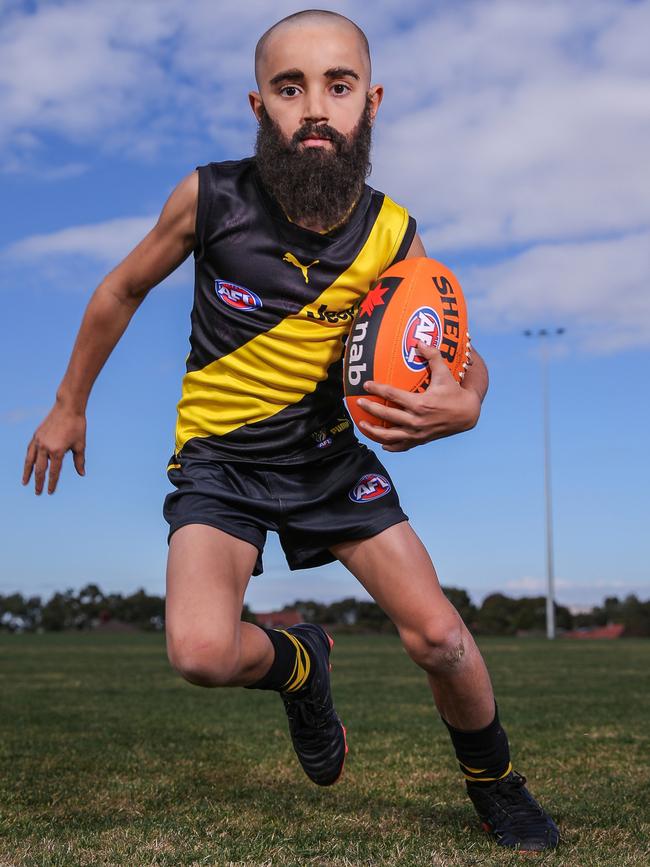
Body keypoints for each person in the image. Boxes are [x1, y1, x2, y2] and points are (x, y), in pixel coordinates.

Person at [23, 9, 559, 852]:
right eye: (289, 87)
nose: (315, 107)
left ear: (369, 102)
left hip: (328, 463)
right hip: (221, 465)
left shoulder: (393, 233)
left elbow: (457, 349)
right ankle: (302, 664)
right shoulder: (211, 198)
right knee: (200, 650)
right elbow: (120, 290)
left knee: (443, 638)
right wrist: (67, 401)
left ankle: (499, 785)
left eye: (337, 86)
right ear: (258, 105)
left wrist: (470, 400)